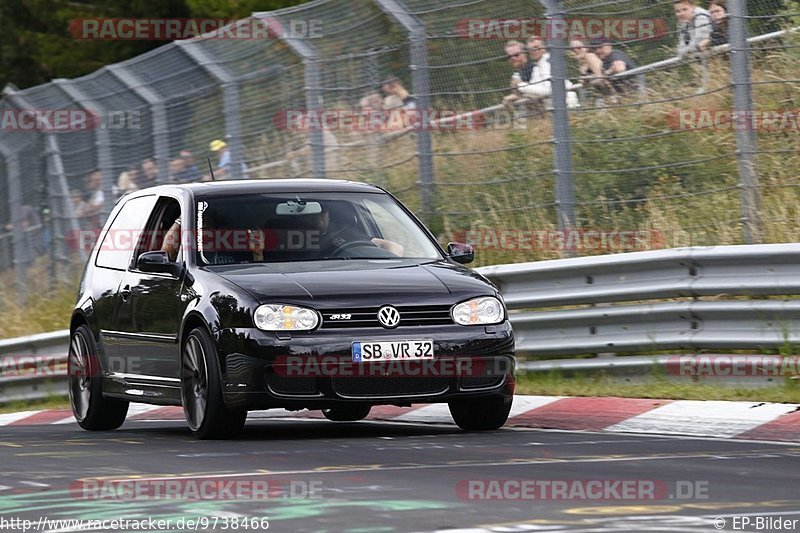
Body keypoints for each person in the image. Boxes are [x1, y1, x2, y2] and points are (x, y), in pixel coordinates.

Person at [502, 40, 533, 106]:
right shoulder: (517, 73)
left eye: (516, 55)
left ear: (525, 54)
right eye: (509, 56)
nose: (512, 58)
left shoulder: (535, 69)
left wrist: (517, 95)